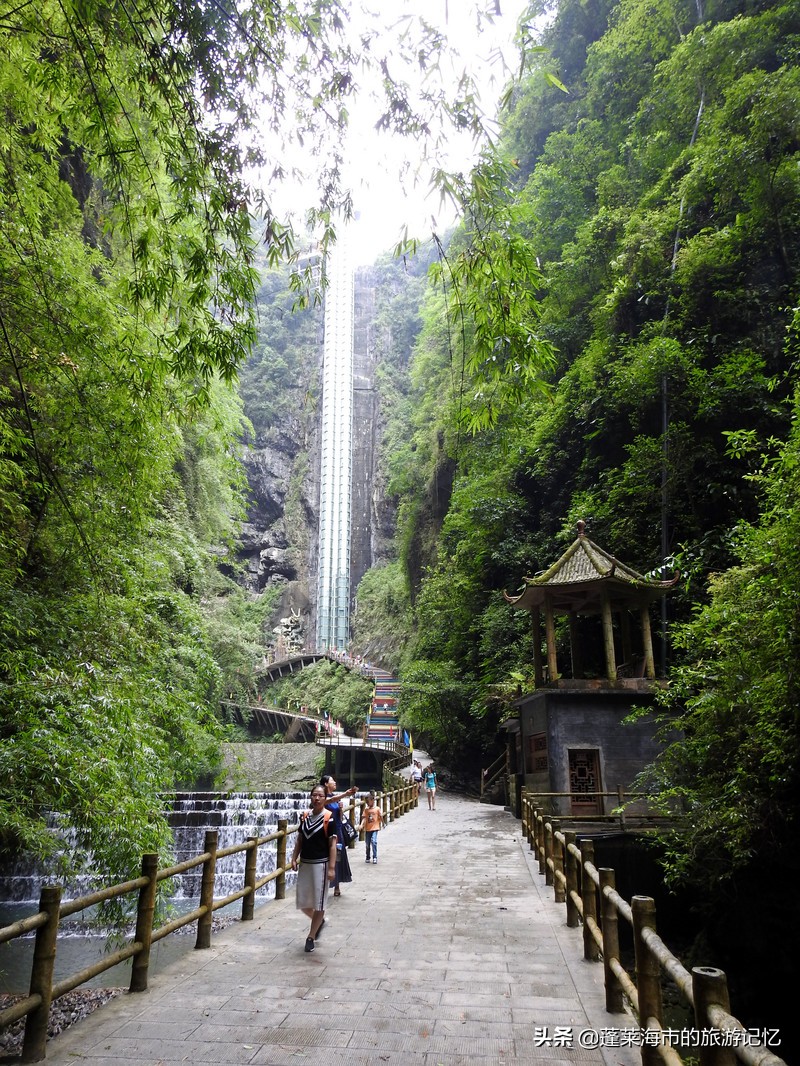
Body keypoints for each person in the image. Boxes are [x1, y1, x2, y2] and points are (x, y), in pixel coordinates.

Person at [290, 784, 337, 953]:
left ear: (325, 798)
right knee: (302, 902)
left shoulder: (329, 818)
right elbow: (300, 840)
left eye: (320, 796)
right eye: (314, 795)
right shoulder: (304, 817)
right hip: (306, 863)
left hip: (321, 864)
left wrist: (331, 868)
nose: (316, 798)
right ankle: (320, 922)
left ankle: (311, 936)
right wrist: (294, 857)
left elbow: (332, 845)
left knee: (319, 901)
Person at [319, 774, 357, 896]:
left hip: (338, 830)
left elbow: (339, 817)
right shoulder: (323, 797)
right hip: (326, 831)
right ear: (326, 784)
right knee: (326, 857)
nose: (335, 782)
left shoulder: (336, 798)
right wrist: (346, 794)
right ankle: (322, 886)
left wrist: (340, 809)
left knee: (338, 857)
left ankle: (337, 885)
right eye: (332, 781)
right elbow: (329, 801)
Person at [358, 791, 383, 863]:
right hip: (368, 829)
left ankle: (375, 857)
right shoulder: (366, 810)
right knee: (367, 843)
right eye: (366, 802)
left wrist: (382, 823)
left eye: (368, 802)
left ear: (372, 800)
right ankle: (367, 856)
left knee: (374, 841)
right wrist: (361, 825)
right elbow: (364, 818)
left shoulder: (377, 809)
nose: (367, 803)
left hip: (375, 828)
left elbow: (380, 816)